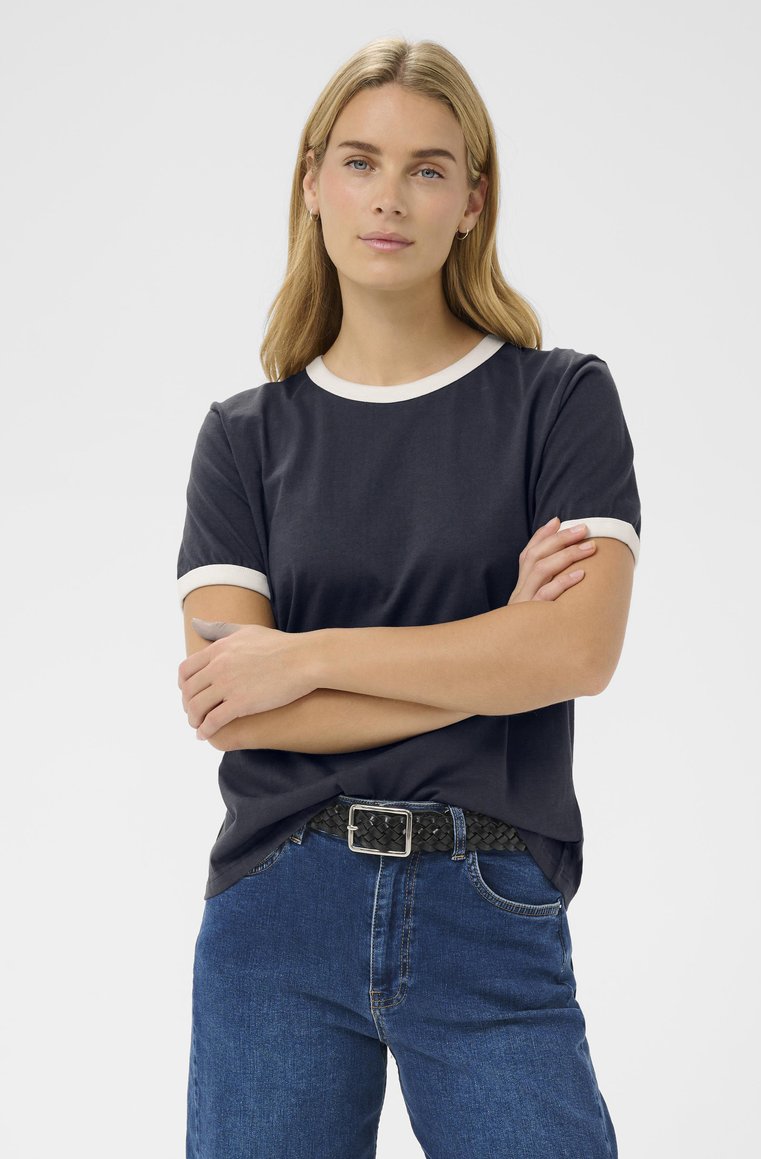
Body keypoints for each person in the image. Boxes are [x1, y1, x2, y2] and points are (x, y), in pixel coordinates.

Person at [177, 36, 641, 1159]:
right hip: (276, 906)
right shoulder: (244, 438)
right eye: (359, 162)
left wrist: (305, 653)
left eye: (428, 168)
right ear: (311, 182)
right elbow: (234, 707)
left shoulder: (558, 401)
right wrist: (493, 651)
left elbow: (576, 652)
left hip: (488, 898)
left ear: (472, 200)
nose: (389, 197)